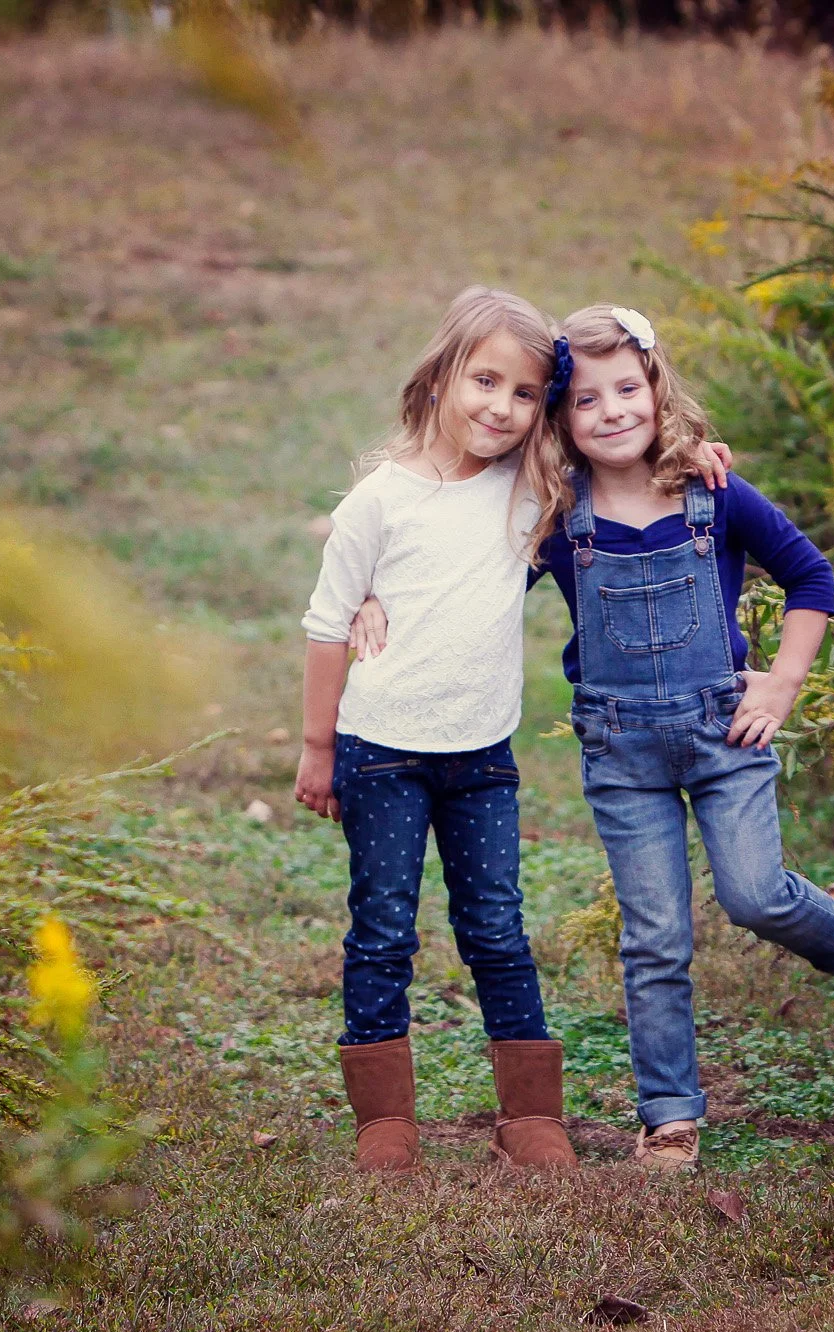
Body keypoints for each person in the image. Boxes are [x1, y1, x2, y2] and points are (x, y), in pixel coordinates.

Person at [526, 303, 834, 1173]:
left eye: (629, 388)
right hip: (620, 749)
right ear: (560, 420)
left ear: (658, 391)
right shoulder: (555, 516)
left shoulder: (714, 493)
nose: (613, 410)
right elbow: (476, 578)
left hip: (724, 730)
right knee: (654, 934)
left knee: (755, 896)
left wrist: (782, 679)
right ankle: (669, 1115)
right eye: (587, 400)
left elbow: (811, 573)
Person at [293, 286, 580, 1174]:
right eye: (484, 379)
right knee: (381, 925)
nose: (500, 406)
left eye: (526, 392)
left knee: (496, 924)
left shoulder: (531, 495)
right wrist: (318, 746)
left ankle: (530, 1112)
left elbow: (624, 467)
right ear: (442, 373)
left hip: (481, 757)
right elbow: (327, 622)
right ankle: (385, 1122)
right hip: (380, 751)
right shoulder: (378, 503)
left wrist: (697, 450)